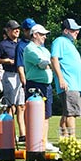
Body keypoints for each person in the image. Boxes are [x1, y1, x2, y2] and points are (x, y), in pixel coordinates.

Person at [24, 24, 59, 152]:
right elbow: (43, 64)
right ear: (35, 35)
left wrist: (49, 62)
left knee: (46, 115)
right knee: (34, 115)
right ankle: (34, 142)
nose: (45, 36)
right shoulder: (29, 49)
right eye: (42, 34)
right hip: (35, 85)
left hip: (46, 86)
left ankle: (44, 141)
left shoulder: (44, 50)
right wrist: (51, 62)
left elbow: (47, 62)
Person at [50, 18, 81, 137]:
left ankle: (64, 138)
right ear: (66, 31)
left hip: (75, 85)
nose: (77, 32)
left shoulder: (69, 44)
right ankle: (72, 140)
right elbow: (54, 59)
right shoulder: (59, 41)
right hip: (69, 84)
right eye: (73, 30)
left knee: (67, 113)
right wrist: (61, 78)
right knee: (71, 114)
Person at [0, 20, 25, 140]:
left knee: (21, 106)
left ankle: (22, 134)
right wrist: (5, 61)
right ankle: (10, 133)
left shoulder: (22, 43)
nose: (17, 30)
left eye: (18, 28)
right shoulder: (3, 45)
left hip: (20, 75)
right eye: (14, 28)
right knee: (10, 106)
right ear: (8, 30)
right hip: (9, 74)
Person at [15, 18, 36, 144]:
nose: (32, 32)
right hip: (26, 80)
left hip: (36, 80)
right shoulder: (21, 46)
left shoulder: (38, 43)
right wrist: (24, 83)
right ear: (25, 30)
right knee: (23, 107)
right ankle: (24, 135)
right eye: (29, 30)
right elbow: (20, 66)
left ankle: (34, 134)